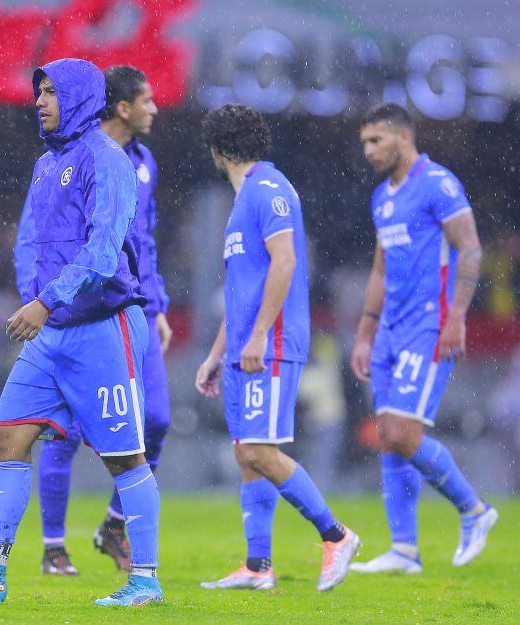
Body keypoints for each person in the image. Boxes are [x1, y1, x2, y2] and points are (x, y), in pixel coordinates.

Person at [0, 58, 163, 607]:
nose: (41, 100)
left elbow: (104, 253)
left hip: (104, 328)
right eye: (40, 92)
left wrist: (45, 299)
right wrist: (34, 295)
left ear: (81, 96)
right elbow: (29, 241)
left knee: (125, 457)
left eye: (52, 91)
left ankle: (145, 580)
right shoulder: (43, 164)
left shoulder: (109, 162)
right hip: (53, 330)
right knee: (7, 437)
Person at [195, 103, 360, 592]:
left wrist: (262, 334)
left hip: (273, 343)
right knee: (248, 454)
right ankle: (258, 566)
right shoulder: (245, 200)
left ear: (217, 151)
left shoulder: (269, 189)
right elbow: (241, 292)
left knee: (263, 452)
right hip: (244, 347)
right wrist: (214, 353)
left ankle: (337, 535)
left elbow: (285, 262)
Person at [27, 64, 173, 576]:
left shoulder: (142, 162)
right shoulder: (62, 159)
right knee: (59, 433)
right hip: (68, 310)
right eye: (147, 100)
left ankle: (115, 523)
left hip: (128, 308)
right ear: (122, 106)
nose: (156, 108)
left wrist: (158, 303)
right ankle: (52, 547)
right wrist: (40, 298)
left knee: (153, 421)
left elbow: (143, 241)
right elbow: (34, 238)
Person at [348, 103, 497, 574]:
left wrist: (457, 316)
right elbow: (379, 266)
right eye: (364, 143)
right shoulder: (381, 197)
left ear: (403, 138)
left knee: (402, 432)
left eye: (376, 141)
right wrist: (365, 333)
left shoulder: (438, 183)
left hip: (428, 325)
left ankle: (474, 510)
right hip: (390, 329)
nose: (368, 151)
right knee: (388, 438)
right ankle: (404, 550)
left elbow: (470, 247)